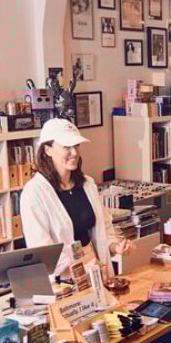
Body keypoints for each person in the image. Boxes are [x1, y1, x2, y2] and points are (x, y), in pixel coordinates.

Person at [20, 118, 132, 278]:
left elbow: (103, 228)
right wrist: (80, 271)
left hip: (94, 268)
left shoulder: (87, 184)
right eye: (66, 146)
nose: (74, 153)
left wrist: (116, 246)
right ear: (47, 150)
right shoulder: (34, 193)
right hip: (64, 279)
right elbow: (42, 251)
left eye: (76, 146)